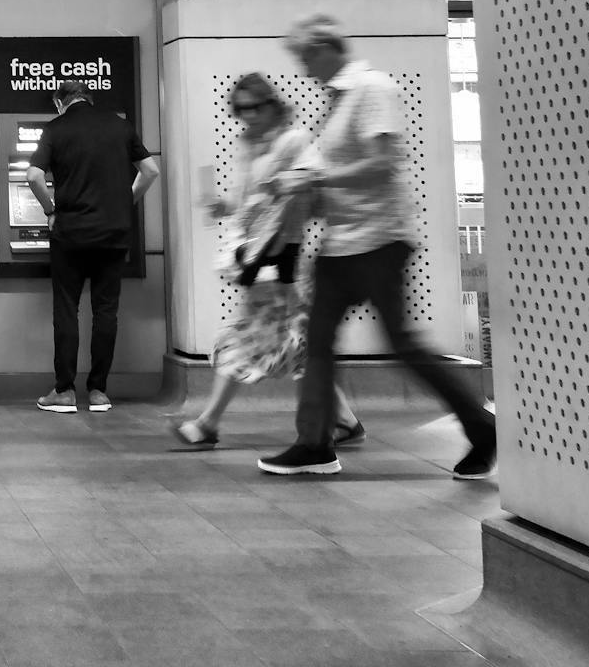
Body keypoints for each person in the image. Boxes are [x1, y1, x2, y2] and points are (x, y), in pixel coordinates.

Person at [258, 13, 496, 478]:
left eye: (306, 57)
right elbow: (341, 178)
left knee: (402, 345)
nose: (304, 69)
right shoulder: (336, 102)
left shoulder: (373, 89)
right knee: (318, 344)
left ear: (328, 48)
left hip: (380, 241)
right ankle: (314, 444)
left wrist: (313, 177)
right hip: (340, 245)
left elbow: (383, 164)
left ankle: (482, 429)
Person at [169, 74, 362, 448]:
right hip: (263, 261)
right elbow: (248, 202)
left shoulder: (293, 141)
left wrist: (282, 189)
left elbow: (309, 184)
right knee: (299, 346)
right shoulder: (248, 146)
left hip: (283, 262)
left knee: (254, 341)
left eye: (255, 107)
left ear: (272, 104)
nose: (248, 116)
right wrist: (222, 206)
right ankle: (345, 420)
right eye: (241, 109)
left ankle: (208, 422)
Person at [28, 79, 160, 414]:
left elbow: (32, 177)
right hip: (113, 232)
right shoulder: (120, 126)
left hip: (71, 232)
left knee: (66, 309)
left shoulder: (55, 129)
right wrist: (124, 201)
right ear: (88, 98)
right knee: (106, 310)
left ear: (61, 103)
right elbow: (150, 170)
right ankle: (99, 391)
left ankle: (65, 392)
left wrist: (50, 209)